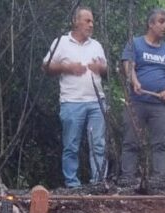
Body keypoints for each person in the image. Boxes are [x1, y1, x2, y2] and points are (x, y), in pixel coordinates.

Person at [42, 7, 108, 189]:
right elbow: (46, 67)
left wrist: (100, 68)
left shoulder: (96, 45)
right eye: (87, 21)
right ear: (75, 21)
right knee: (71, 145)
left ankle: (99, 183)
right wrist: (66, 67)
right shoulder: (61, 42)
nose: (91, 25)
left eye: (92, 21)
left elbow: (106, 71)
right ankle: (72, 185)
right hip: (72, 102)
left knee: (98, 145)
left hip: (96, 102)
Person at [119, 7, 165, 181]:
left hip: (160, 105)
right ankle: (127, 180)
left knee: (160, 144)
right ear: (150, 24)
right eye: (161, 21)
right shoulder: (135, 43)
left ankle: (160, 181)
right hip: (136, 102)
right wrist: (134, 81)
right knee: (131, 142)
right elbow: (128, 65)